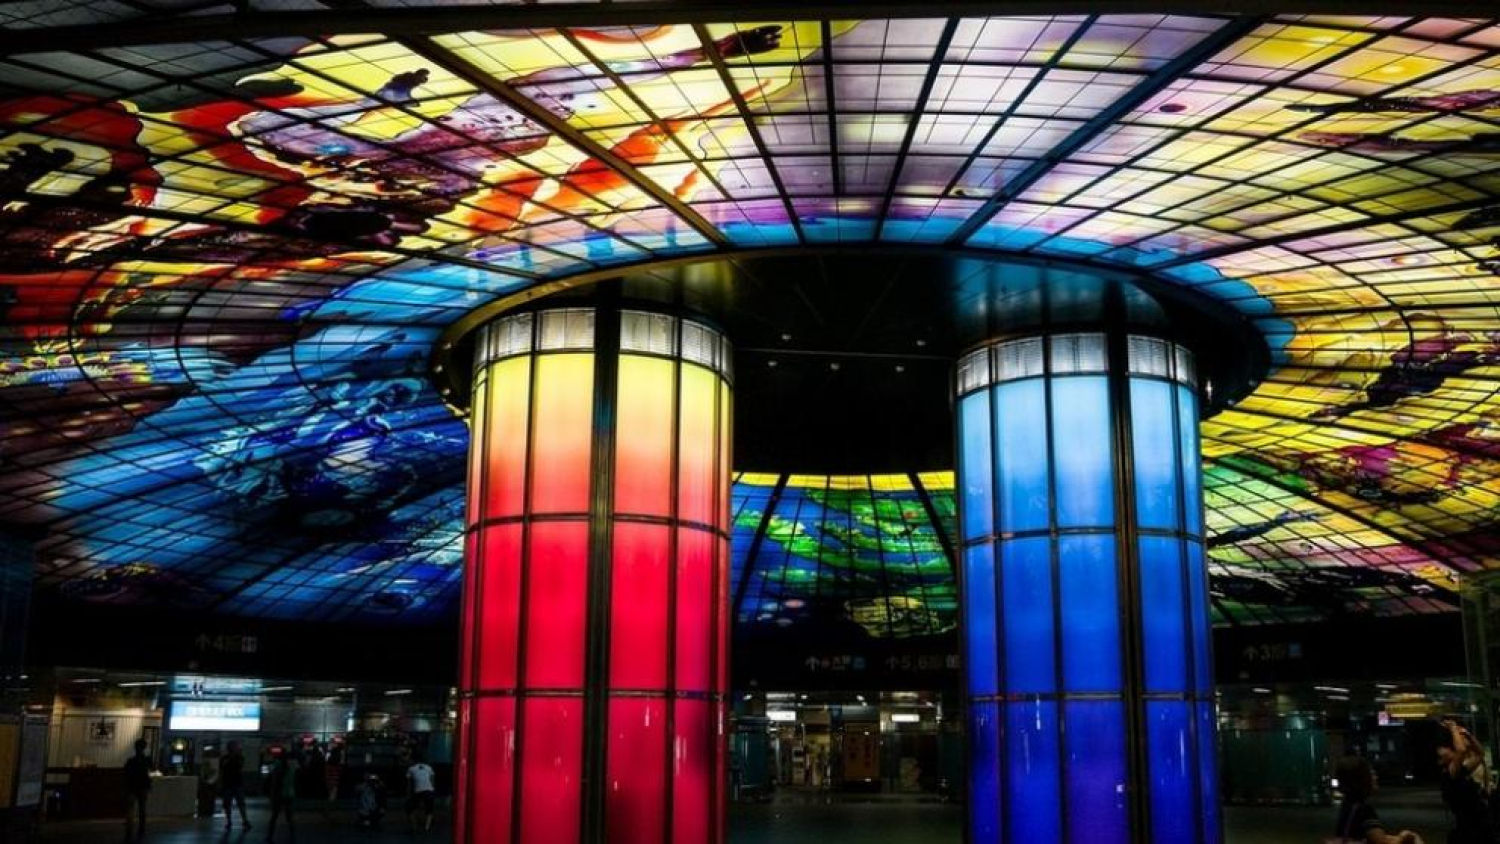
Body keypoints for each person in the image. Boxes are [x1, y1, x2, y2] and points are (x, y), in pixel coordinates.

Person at [1332, 755, 1425, 844]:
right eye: (1372, 773)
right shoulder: (1364, 810)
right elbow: (1380, 841)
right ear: (1362, 779)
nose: (1375, 777)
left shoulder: (1348, 805)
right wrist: (1405, 837)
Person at [1437, 719, 1493, 844]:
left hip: (1479, 822)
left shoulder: (1462, 770)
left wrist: (1468, 735)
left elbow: (1479, 754)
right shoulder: (1450, 772)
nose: (1446, 750)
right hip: (1468, 826)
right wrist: (1453, 728)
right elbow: (1461, 750)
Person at [265, 750, 299, 841]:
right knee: (289, 817)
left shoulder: (277, 767)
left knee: (274, 816)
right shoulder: (292, 767)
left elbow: (275, 782)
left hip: (279, 794)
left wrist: (271, 795)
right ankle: (293, 834)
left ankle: (270, 835)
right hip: (290, 794)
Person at [122, 739, 152, 840]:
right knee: (142, 808)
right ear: (144, 748)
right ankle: (141, 829)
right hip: (143, 787)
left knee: (130, 809)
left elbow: (125, 773)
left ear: (135, 748)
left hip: (131, 787)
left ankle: (129, 829)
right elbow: (152, 769)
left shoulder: (130, 761)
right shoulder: (147, 760)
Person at [219, 741, 251, 831]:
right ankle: (234, 821)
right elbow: (223, 767)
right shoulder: (227, 758)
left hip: (233, 783)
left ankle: (242, 821)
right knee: (230, 804)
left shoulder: (237, 757)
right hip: (232, 784)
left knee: (238, 804)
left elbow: (240, 766)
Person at [405, 757, 436, 833]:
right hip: (429, 790)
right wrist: (432, 789)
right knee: (429, 810)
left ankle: (414, 827)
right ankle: (427, 827)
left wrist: (408, 794)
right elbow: (432, 780)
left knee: (410, 809)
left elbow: (409, 783)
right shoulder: (429, 767)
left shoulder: (411, 769)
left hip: (418, 791)